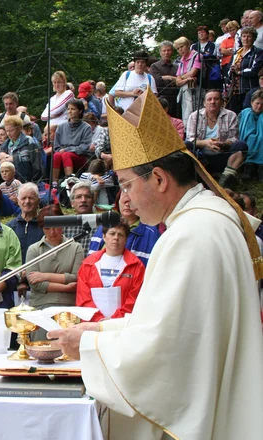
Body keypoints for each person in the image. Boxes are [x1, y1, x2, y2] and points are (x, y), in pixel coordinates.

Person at [48, 87, 263, 439]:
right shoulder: (209, 220)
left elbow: (166, 349)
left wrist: (85, 347)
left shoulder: (190, 236)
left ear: (160, 179)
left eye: (126, 184)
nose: (125, 198)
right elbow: (171, 324)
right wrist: (97, 330)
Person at [76, 219, 145, 321]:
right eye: (112, 233)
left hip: (122, 324)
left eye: (120, 235)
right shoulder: (88, 264)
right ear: (104, 236)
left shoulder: (136, 266)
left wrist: (114, 321)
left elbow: (135, 299)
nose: (116, 238)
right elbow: (83, 298)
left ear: (126, 239)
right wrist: (98, 319)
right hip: (92, 323)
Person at [18, 204, 83, 313]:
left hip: (69, 306)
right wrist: (66, 288)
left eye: (56, 227)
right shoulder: (34, 249)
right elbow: (35, 283)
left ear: (63, 225)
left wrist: (45, 276)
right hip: (41, 306)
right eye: (47, 228)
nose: (52, 232)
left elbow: (76, 278)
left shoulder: (76, 248)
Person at [88, 191, 161, 267]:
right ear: (118, 202)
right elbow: (90, 261)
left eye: (131, 201)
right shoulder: (103, 226)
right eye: (125, 201)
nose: (127, 205)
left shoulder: (151, 233)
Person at [52, 100, 94, 185]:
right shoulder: (61, 127)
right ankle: (54, 183)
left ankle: (70, 181)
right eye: (68, 109)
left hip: (80, 156)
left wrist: (67, 149)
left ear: (80, 111)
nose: (69, 111)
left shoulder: (86, 127)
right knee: (56, 155)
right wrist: (61, 150)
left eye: (73, 109)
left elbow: (84, 147)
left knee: (66, 154)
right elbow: (56, 146)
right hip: (63, 154)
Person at [227, 27, 263, 114]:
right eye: (244, 36)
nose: (246, 39)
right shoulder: (237, 53)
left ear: (254, 39)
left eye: (249, 36)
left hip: (249, 89)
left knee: (248, 113)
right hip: (235, 90)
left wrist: (239, 72)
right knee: (233, 114)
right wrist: (231, 71)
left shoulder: (257, 52)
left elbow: (254, 71)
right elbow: (228, 69)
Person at [7, 183, 43, 264]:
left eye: (31, 198)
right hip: (15, 273)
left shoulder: (44, 226)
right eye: (23, 198)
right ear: (18, 201)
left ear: (38, 201)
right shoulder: (9, 228)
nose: (27, 201)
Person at [174, 37, 203, 128]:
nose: (180, 50)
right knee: (186, 116)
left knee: (196, 115)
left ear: (187, 45)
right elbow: (177, 82)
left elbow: (193, 73)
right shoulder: (181, 60)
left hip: (197, 90)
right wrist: (186, 79)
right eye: (178, 49)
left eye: (182, 46)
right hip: (185, 91)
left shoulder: (197, 56)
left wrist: (181, 77)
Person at [63, 181, 96, 256]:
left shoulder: (101, 224)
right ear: (72, 203)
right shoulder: (65, 224)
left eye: (87, 196)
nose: (83, 200)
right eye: (78, 197)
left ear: (93, 201)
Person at [150, 41, 180, 118]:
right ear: (160, 52)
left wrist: (164, 78)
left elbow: (179, 81)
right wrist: (171, 78)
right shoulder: (155, 66)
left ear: (172, 52)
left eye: (169, 50)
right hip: (162, 99)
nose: (166, 53)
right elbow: (157, 81)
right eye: (164, 50)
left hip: (176, 99)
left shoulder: (176, 67)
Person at [239, 89, 263, 180]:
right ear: (252, 102)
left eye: (262, 104)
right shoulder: (245, 113)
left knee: (261, 137)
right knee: (250, 137)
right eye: (257, 103)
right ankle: (249, 165)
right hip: (248, 145)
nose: (259, 106)